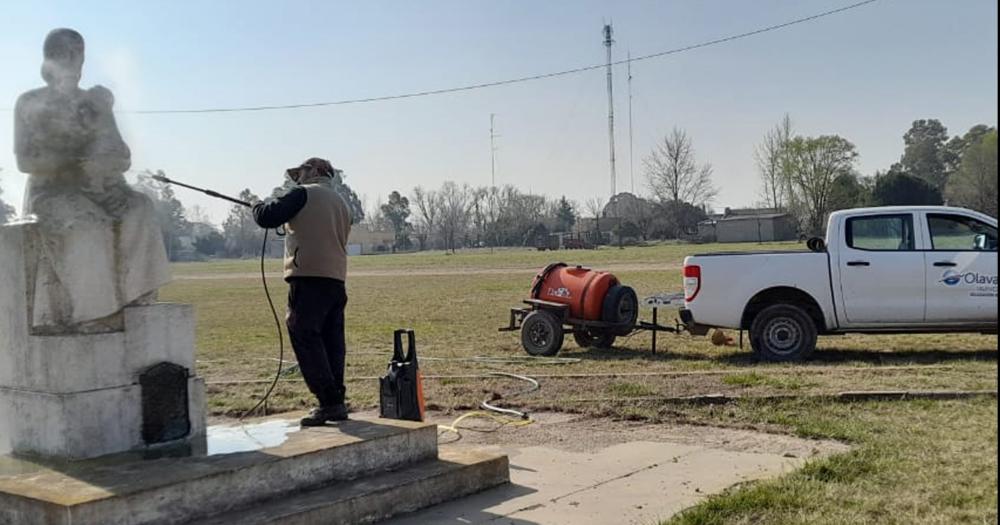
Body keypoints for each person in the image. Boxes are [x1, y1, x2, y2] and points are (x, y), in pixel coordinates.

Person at [14, 28, 170, 332]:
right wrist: (75, 165)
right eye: (66, 53)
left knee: (139, 208)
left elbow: (122, 154)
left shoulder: (94, 102)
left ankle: (137, 296)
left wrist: (107, 170)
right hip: (52, 193)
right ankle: (95, 313)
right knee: (89, 224)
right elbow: (25, 161)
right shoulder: (30, 102)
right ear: (51, 58)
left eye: (78, 53)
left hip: (101, 188)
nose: (74, 60)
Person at [252, 158, 353, 426]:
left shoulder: (303, 194)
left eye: (303, 172)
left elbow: (267, 216)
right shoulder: (342, 203)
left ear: (317, 172)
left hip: (308, 276)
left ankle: (327, 400)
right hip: (336, 278)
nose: (298, 178)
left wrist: (256, 206)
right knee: (333, 342)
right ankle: (337, 399)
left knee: (303, 333)